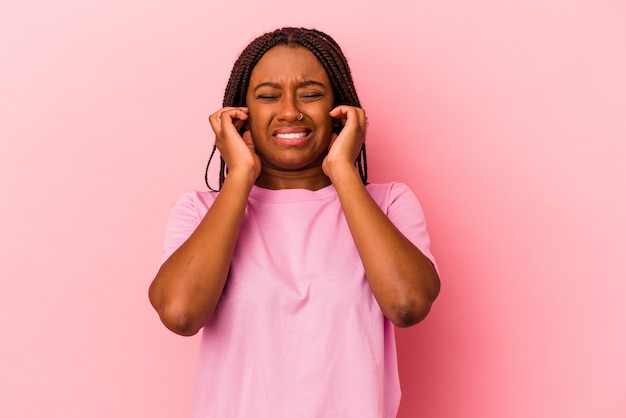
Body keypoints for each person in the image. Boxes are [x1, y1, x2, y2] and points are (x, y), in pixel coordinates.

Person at [149, 27, 440, 418]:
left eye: (312, 94)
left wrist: (342, 170)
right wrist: (239, 175)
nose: (290, 111)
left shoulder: (389, 204)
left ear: (341, 110)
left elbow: (407, 305)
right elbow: (182, 314)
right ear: (238, 116)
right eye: (268, 96)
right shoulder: (199, 211)